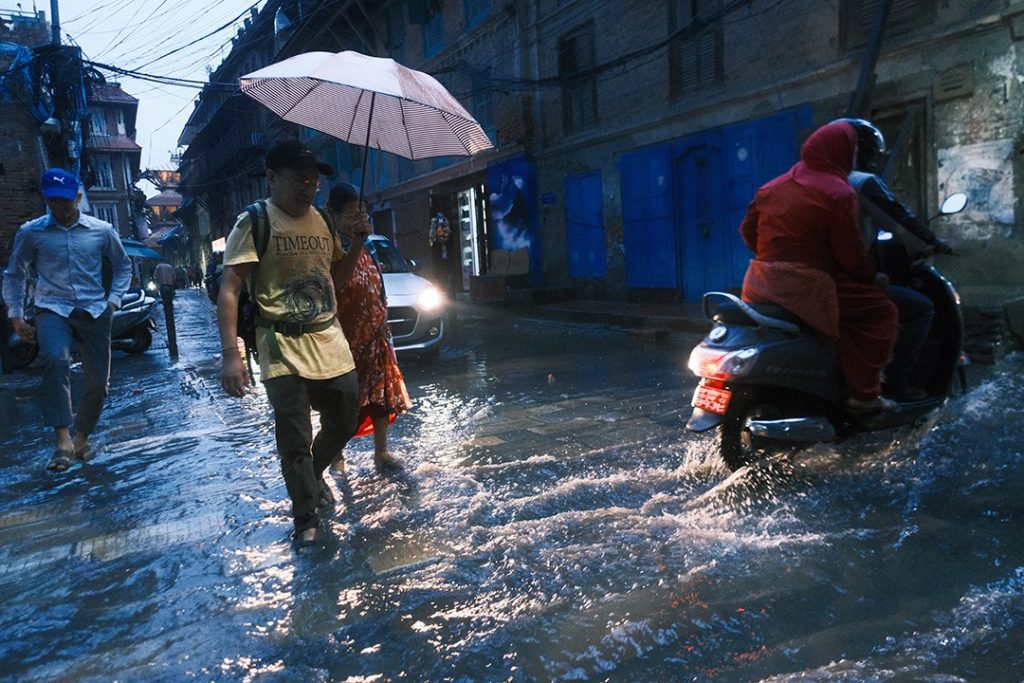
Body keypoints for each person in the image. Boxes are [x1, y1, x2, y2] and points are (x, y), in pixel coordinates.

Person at [217, 140, 361, 550]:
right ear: (272, 178)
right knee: (295, 437)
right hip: (279, 345)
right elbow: (229, 289)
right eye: (300, 179)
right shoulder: (256, 221)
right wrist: (232, 354)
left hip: (329, 339)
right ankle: (306, 518)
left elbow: (338, 279)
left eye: (313, 180)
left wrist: (359, 244)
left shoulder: (323, 221)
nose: (308, 187)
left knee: (346, 418)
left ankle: (309, 477)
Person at [738, 121, 899, 413]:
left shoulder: (771, 187)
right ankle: (864, 397)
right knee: (882, 313)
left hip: (760, 282)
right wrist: (873, 276)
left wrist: (775, 256)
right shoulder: (839, 193)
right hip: (808, 286)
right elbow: (849, 257)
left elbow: (748, 232)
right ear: (843, 152)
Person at [2, 168, 132, 471]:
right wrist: (16, 315)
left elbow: (123, 267)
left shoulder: (102, 231)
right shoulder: (32, 232)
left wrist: (113, 302)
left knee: (99, 383)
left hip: (95, 310)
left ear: (77, 196)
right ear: (46, 200)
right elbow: (15, 273)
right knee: (55, 359)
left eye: (65, 200)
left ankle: (82, 437)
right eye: (53, 201)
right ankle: (62, 439)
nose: (60, 207)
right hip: (52, 308)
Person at [832, 118, 955, 401]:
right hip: (841, 280)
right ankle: (895, 383)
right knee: (920, 308)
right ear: (860, 152)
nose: (875, 160)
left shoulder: (805, 183)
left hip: (795, 280)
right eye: (872, 153)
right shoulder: (860, 182)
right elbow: (899, 220)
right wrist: (932, 242)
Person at [327, 183, 411, 473]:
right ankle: (335, 456)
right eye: (350, 214)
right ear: (334, 217)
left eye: (362, 213)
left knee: (380, 396)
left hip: (376, 337)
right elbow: (338, 283)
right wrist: (357, 243)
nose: (358, 219)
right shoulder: (333, 249)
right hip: (345, 342)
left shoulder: (370, 249)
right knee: (342, 404)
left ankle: (381, 452)